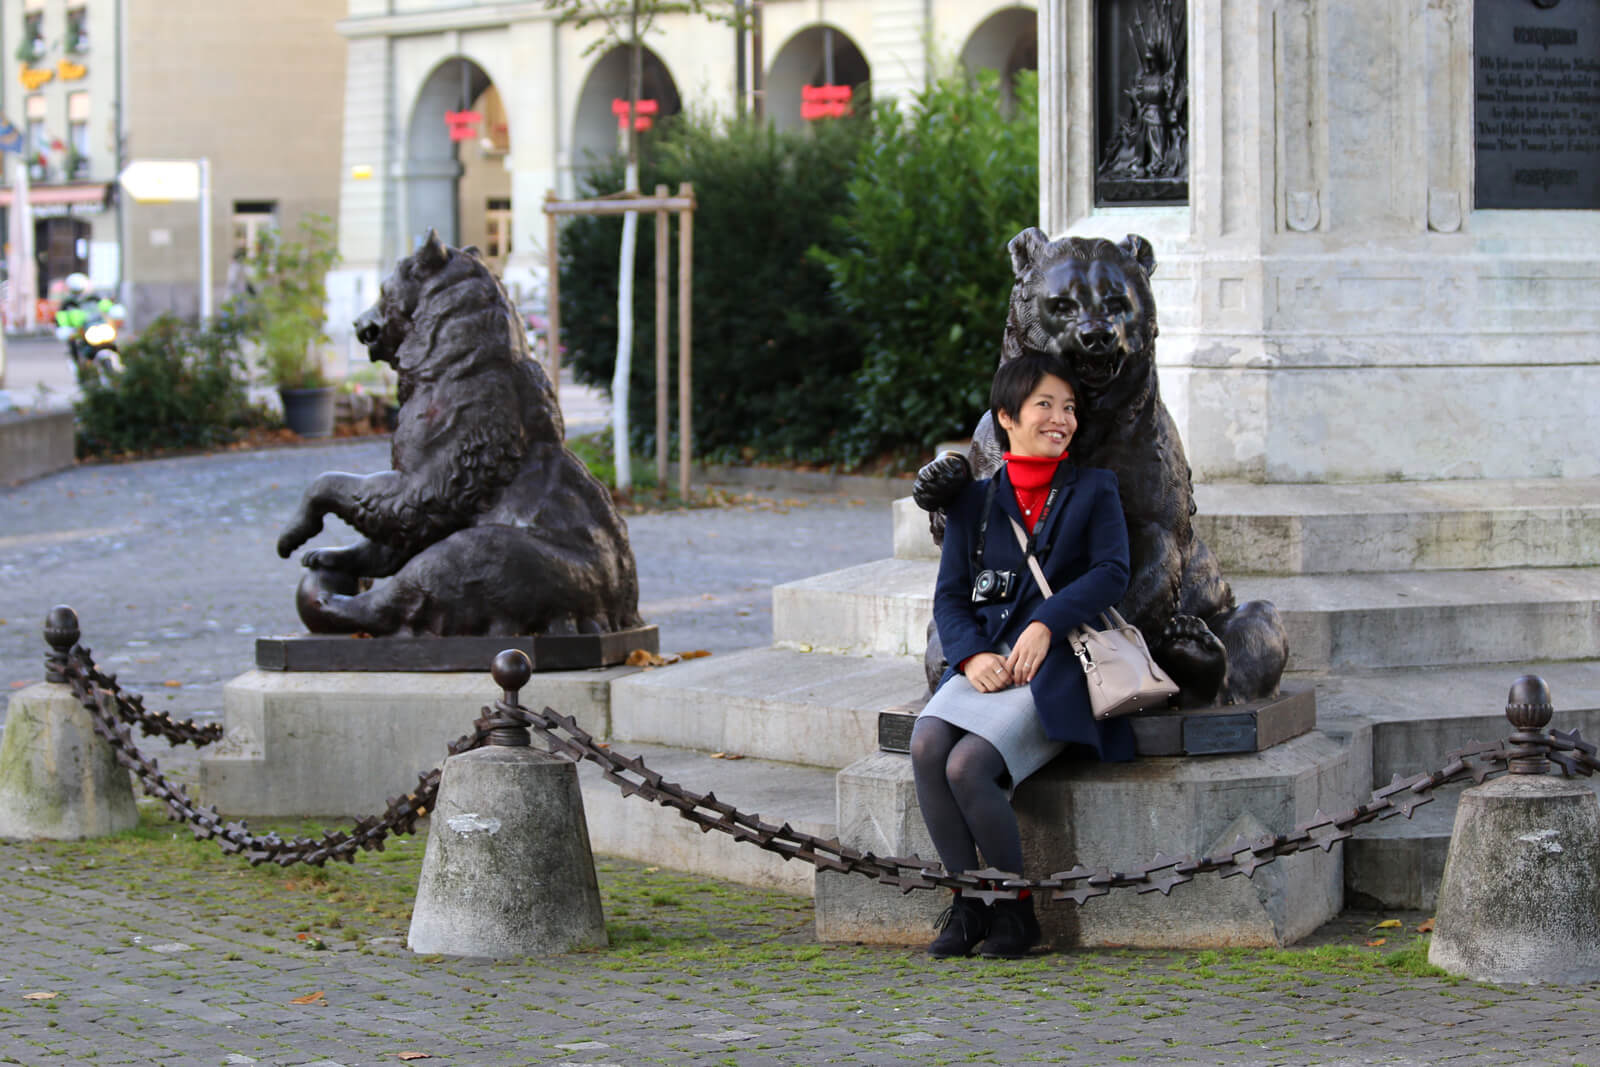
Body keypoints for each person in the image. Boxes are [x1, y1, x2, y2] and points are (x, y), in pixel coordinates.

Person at [912, 351, 1135, 959]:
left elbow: (1113, 572)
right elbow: (951, 598)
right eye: (1045, 405)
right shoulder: (973, 502)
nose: (1060, 418)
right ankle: (968, 906)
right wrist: (969, 657)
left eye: (1068, 408)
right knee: (927, 745)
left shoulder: (1094, 490)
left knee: (967, 767)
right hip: (990, 667)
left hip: (1059, 668)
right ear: (1007, 416)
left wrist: (1046, 622)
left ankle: (1015, 912)